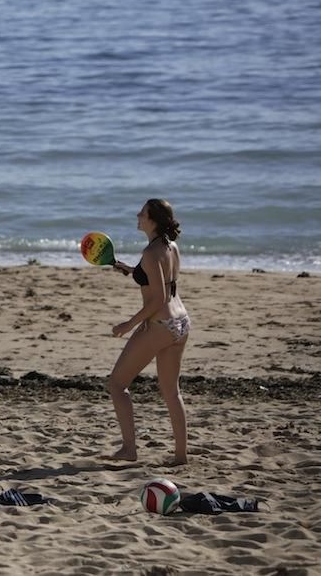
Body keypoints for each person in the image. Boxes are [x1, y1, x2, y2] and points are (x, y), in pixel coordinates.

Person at [108, 199, 191, 465]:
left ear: (152, 220)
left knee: (117, 384)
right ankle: (180, 456)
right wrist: (132, 271)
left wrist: (128, 325)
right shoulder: (170, 246)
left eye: (142, 213)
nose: (137, 215)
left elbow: (158, 298)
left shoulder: (150, 252)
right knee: (171, 391)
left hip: (160, 325)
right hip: (181, 323)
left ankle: (129, 449)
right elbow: (163, 279)